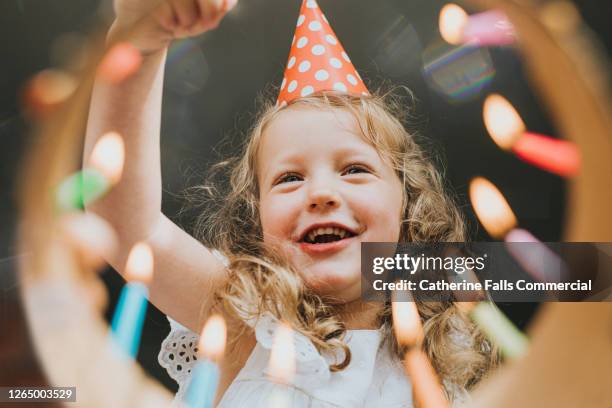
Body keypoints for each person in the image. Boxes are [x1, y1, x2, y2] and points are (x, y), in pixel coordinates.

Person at [84, 0, 497, 406]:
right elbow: (125, 223)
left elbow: (558, 282)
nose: (320, 194)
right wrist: (140, 40)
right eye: (290, 178)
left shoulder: (446, 342)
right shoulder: (245, 319)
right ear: (256, 220)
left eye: (354, 169)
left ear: (408, 203)